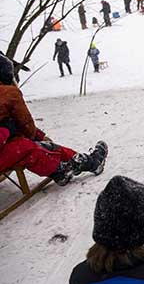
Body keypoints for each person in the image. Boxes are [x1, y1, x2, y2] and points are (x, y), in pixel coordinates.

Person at [0, 53, 107, 186]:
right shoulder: (8, 93)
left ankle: (76, 164)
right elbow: (24, 124)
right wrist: (8, 130)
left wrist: (36, 135)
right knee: (28, 147)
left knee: (28, 145)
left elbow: (19, 124)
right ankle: (64, 169)